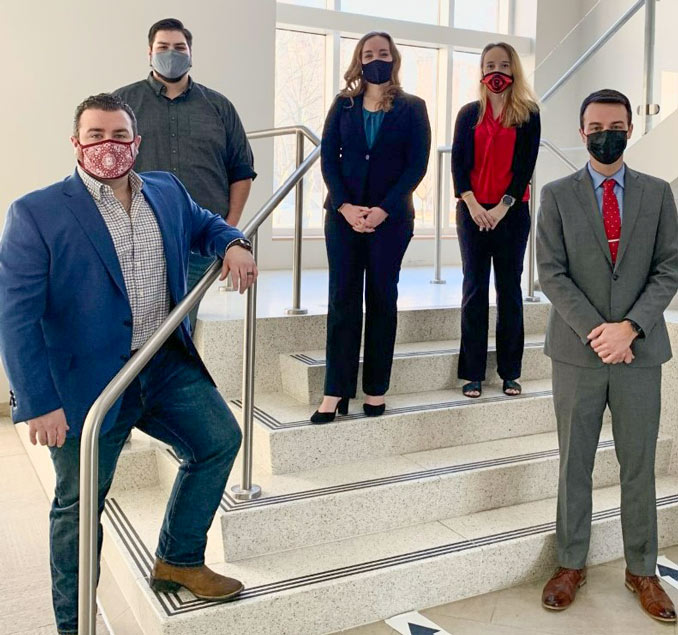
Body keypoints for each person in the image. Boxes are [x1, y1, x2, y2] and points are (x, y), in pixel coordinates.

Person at [0, 93, 258, 635]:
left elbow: (205, 222)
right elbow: (15, 317)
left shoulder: (166, 190)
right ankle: (74, 624)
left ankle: (179, 558)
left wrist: (231, 240)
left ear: (135, 143)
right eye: (95, 135)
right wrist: (38, 403)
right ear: (76, 143)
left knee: (218, 440)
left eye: (118, 136)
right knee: (77, 506)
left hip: (162, 364)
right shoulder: (36, 213)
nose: (107, 146)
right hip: (86, 386)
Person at [537, 89, 678, 623]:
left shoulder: (658, 193)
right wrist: (601, 331)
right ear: (582, 132)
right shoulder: (556, 194)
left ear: (628, 129)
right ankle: (570, 563)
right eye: (596, 126)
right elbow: (551, 272)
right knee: (575, 462)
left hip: (640, 354)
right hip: (578, 352)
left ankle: (642, 569)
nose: (606, 133)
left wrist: (631, 328)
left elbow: (669, 266)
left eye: (615, 125)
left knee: (638, 464)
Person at [312, 31, 431, 424]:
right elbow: (329, 157)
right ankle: (335, 390)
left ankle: (376, 388)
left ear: (393, 58)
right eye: (368, 53)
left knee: (382, 300)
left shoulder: (413, 107)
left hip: (391, 219)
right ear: (358, 60)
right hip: (343, 217)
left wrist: (382, 209)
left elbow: (416, 166)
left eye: (383, 52)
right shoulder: (343, 104)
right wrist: (345, 206)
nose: (375, 58)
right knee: (343, 299)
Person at [114, 17, 256, 330]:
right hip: (142, 238)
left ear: (190, 53)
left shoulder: (219, 107)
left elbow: (241, 172)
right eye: (163, 47)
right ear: (149, 53)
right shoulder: (122, 104)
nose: (172, 53)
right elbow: (109, 168)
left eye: (180, 47)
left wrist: (227, 231)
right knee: (136, 327)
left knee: (180, 329)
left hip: (200, 244)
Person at [451, 42, 540, 399]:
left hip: (512, 213)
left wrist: (502, 208)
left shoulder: (528, 114)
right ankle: (471, 373)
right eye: (490, 65)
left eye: (504, 65)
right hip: (472, 211)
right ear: (482, 70)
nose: (496, 72)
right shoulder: (468, 113)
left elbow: (524, 169)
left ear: (514, 70)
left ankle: (510, 372)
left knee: (509, 291)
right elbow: (458, 164)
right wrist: (473, 205)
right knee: (474, 289)